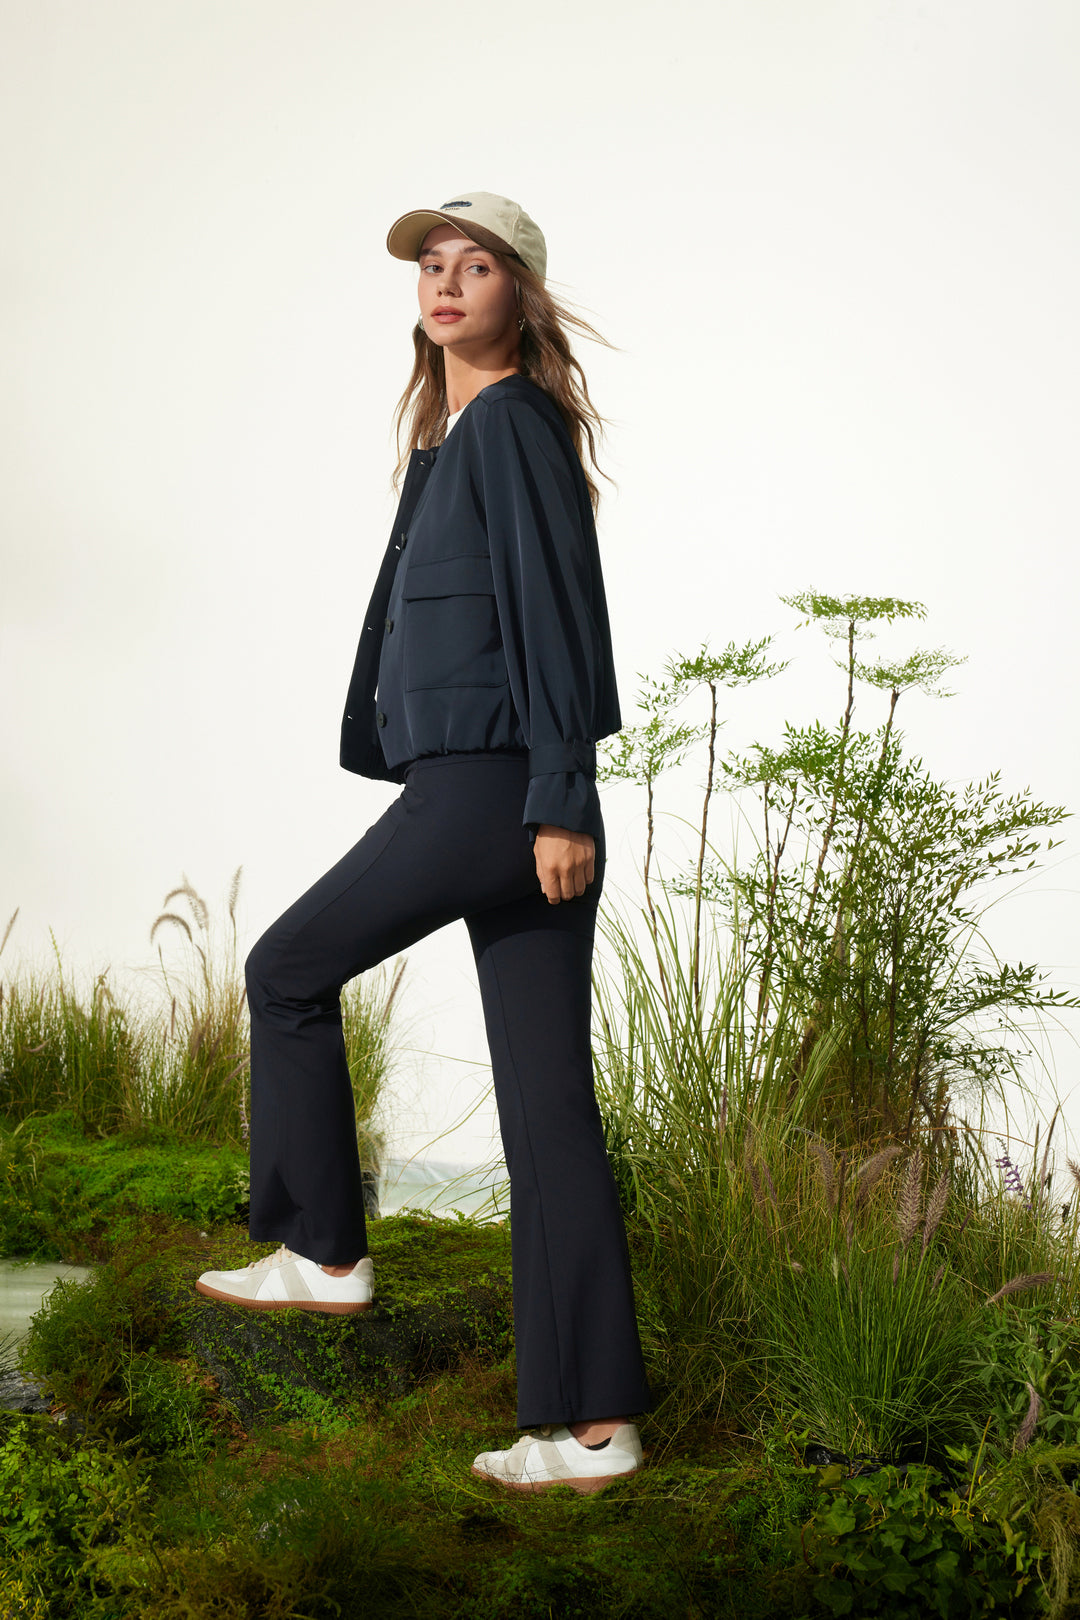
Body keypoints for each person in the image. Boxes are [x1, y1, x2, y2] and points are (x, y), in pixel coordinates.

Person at [196, 191, 651, 1492]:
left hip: (493, 792)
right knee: (548, 1110)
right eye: (431, 265)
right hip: (508, 793)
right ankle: (592, 1430)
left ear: (521, 293)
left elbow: (558, 615)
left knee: (286, 970)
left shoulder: (509, 425)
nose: (446, 282)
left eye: (478, 265)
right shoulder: (453, 442)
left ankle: (322, 1250)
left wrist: (560, 794)